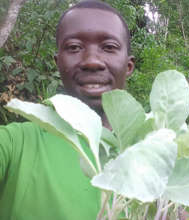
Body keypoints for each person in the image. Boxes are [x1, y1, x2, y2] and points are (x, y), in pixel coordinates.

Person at [0, 1, 135, 219]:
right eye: (74, 47)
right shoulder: (17, 143)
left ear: (128, 66)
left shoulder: (152, 156)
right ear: (58, 61)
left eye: (109, 47)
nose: (92, 61)